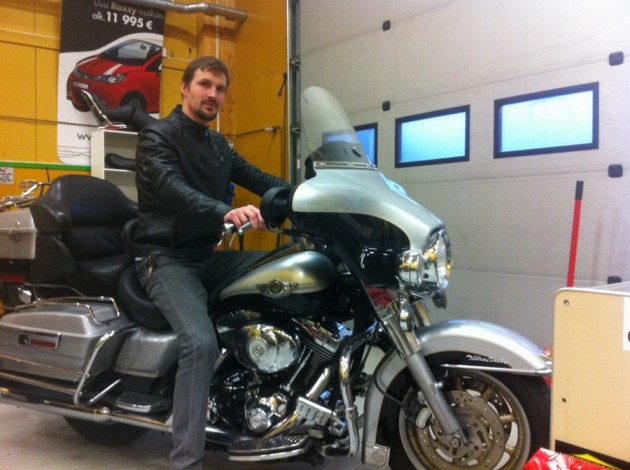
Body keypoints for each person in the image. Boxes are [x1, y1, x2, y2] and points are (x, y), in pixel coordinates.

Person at [129, 56, 289, 469]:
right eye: (204, 84)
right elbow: (170, 188)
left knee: (288, 272)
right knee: (200, 343)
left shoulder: (219, 146)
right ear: (185, 88)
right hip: (165, 258)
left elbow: (260, 179)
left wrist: (305, 195)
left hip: (205, 256)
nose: (212, 94)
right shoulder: (157, 137)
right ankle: (186, 461)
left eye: (219, 88)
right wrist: (225, 211)